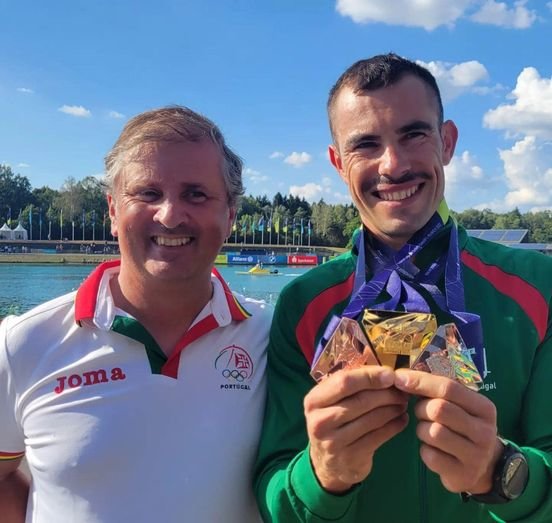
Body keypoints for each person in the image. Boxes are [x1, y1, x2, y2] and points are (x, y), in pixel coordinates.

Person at [254, 54, 552, 522]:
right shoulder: (304, 303)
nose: (392, 165)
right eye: (366, 144)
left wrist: (502, 473)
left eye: (414, 134)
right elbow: (273, 487)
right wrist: (321, 476)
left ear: (447, 141)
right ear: (337, 162)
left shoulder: (537, 287)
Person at [0, 106, 271, 522]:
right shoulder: (22, 343)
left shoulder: (272, 336)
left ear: (230, 215)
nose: (169, 215)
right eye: (148, 193)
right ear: (112, 210)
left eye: (196, 194)